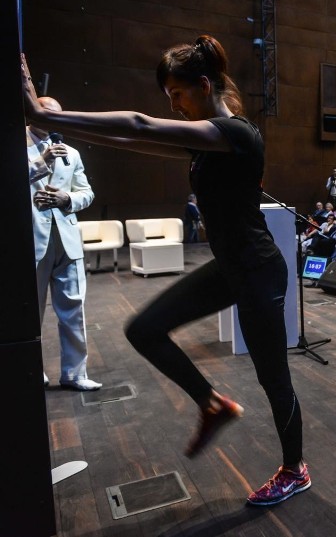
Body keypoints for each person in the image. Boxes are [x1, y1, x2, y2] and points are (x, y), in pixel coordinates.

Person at [22, 37, 309, 506]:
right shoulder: (204, 140)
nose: (173, 105)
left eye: (177, 93)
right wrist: (51, 125)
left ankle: (294, 468)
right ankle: (212, 404)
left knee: (274, 378)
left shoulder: (234, 132)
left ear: (202, 84)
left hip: (258, 269)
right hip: (231, 267)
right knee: (145, 329)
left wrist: (43, 114)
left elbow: (139, 123)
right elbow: (130, 136)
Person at [25, 97, 101, 391]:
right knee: (31, 312)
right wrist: (41, 163)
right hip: (31, 241)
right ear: (31, 113)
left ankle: (75, 373)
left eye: (58, 116)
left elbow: (87, 193)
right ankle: (32, 370)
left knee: (73, 308)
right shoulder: (15, 147)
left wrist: (67, 199)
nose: (53, 121)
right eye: (47, 114)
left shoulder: (71, 152)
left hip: (67, 240)